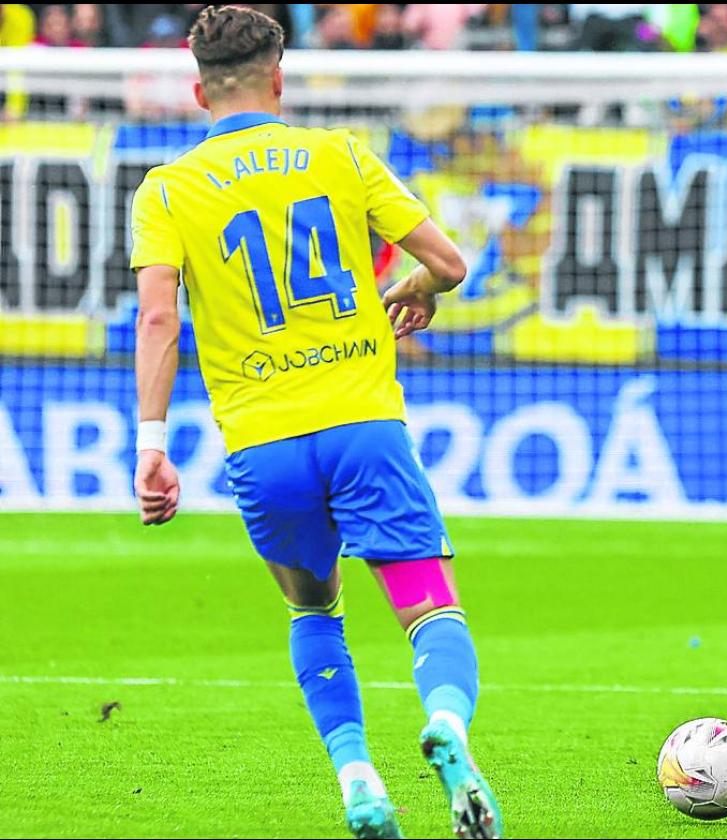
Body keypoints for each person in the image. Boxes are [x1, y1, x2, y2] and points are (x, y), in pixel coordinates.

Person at [128, 7, 500, 839]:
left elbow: (157, 319)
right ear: (279, 79)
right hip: (364, 426)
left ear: (199, 92)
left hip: (262, 444)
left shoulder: (168, 190)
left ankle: (358, 778)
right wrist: (414, 290)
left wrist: (152, 447)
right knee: (430, 610)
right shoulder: (340, 155)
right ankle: (446, 723)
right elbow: (448, 263)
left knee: (314, 612)